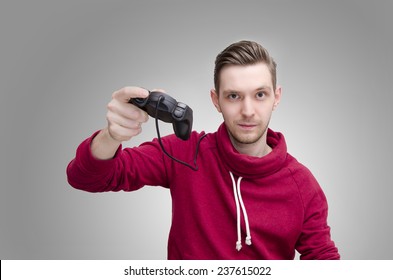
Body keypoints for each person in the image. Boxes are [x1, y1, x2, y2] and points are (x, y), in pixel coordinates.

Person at [66, 40, 340, 260]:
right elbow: (85, 178)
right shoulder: (185, 152)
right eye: (233, 96)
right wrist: (111, 136)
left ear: (276, 97)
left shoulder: (303, 185)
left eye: (259, 95)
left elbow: (323, 259)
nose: (247, 111)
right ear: (216, 100)